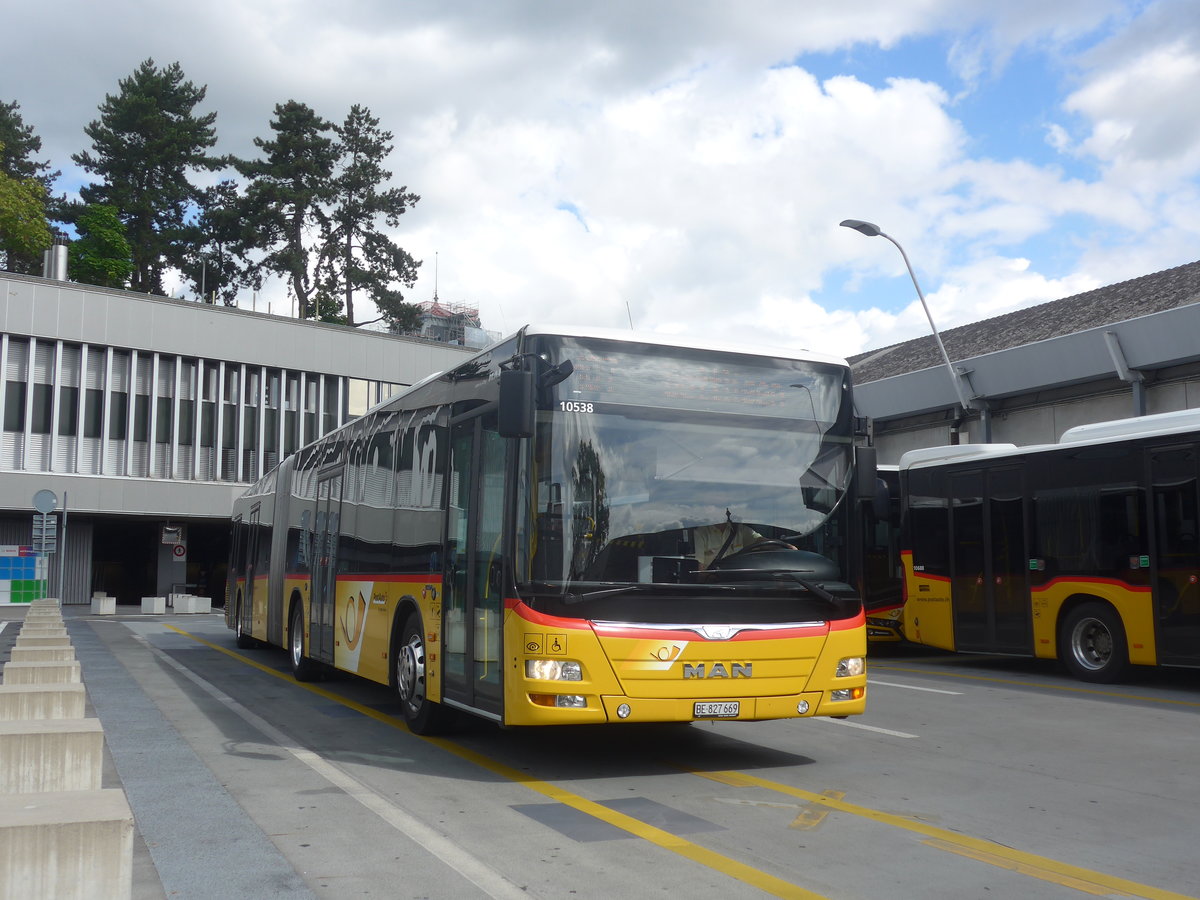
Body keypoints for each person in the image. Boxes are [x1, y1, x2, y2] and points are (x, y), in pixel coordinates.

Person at [692, 519, 763, 569]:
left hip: (738, 581)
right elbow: (698, 572)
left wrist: (773, 544)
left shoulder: (740, 529)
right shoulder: (700, 533)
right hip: (712, 584)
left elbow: (761, 541)